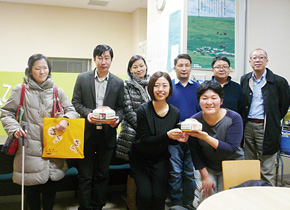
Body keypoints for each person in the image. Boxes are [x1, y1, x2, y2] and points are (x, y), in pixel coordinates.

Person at [0, 54, 78, 210]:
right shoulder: (20, 90)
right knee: (31, 190)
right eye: (37, 68)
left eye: (45, 68)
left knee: (50, 189)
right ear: (30, 71)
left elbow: (72, 110)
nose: (42, 71)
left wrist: (66, 119)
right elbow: (6, 112)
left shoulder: (57, 91)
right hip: (29, 149)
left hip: (53, 149)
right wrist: (15, 129)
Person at [72, 44, 124, 210]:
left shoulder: (118, 82)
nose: (103, 61)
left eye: (106, 57)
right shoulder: (82, 78)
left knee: (102, 174)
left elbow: (121, 108)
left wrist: (117, 119)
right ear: (94, 59)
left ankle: (98, 206)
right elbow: (76, 103)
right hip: (87, 134)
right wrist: (88, 114)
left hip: (107, 135)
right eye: (100, 57)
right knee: (85, 176)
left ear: (111, 60)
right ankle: (84, 207)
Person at [129, 71, 185, 210]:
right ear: (151, 88)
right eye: (157, 86)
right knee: (146, 195)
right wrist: (168, 136)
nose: (161, 89)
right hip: (140, 159)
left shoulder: (175, 112)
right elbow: (144, 140)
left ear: (170, 89)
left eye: (164, 86)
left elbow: (171, 142)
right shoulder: (143, 110)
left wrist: (179, 138)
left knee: (159, 197)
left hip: (160, 159)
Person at [186, 80, 244, 205]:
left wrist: (206, 137)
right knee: (205, 198)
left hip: (231, 164)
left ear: (221, 101)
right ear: (199, 101)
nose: (209, 102)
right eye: (205, 98)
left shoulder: (234, 118)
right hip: (208, 166)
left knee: (227, 201)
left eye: (214, 98)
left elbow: (231, 149)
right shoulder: (194, 121)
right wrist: (205, 177)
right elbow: (195, 153)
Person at [240, 48, 290, 186]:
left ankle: (268, 198)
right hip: (248, 126)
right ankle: (249, 193)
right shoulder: (245, 79)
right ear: (250, 61)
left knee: (267, 166)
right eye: (254, 58)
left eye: (261, 57)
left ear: (266, 61)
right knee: (249, 163)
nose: (258, 60)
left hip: (267, 126)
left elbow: (284, 105)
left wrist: (272, 119)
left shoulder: (279, 82)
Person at [115, 55, 150, 210]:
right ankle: (131, 204)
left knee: (146, 168)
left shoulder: (152, 83)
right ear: (130, 69)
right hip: (133, 133)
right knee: (134, 170)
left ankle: (143, 202)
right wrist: (144, 129)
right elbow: (128, 111)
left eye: (141, 66)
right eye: (135, 67)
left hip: (150, 134)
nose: (139, 69)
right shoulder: (126, 85)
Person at [167, 54, 200, 210]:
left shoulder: (198, 87)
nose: (184, 68)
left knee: (189, 173)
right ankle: (176, 204)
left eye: (187, 65)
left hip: (193, 137)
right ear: (175, 67)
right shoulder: (169, 87)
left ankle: (188, 203)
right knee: (175, 172)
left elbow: (202, 112)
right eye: (180, 65)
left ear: (191, 66)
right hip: (175, 137)